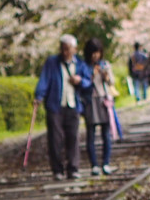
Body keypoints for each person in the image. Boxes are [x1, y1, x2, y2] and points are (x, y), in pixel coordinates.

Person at [33, 34, 92, 179]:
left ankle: (73, 168)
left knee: (73, 138)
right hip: (55, 105)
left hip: (73, 105)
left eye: (68, 49)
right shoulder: (52, 62)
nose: (65, 52)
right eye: (63, 49)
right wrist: (39, 95)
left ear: (75, 49)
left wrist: (79, 81)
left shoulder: (80, 64)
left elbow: (88, 82)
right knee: (55, 139)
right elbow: (44, 80)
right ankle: (57, 170)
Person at [83, 39, 117, 175]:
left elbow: (112, 82)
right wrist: (93, 74)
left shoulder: (105, 64)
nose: (95, 56)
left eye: (97, 53)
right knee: (90, 134)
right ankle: (94, 165)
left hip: (104, 101)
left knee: (106, 134)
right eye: (93, 53)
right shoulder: (84, 66)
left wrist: (106, 75)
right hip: (90, 101)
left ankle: (106, 163)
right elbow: (83, 84)